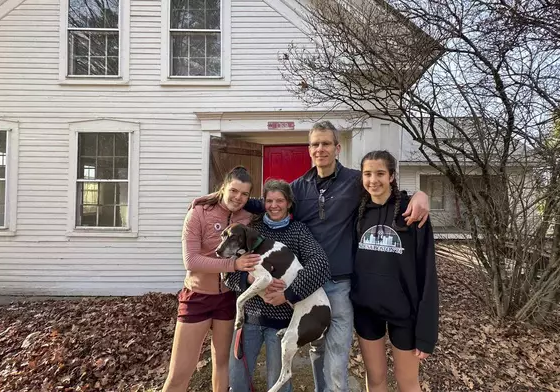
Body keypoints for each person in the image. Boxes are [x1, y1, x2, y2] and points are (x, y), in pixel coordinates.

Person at [194, 121, 431, 392]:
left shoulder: (356, 181)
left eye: (326, 143)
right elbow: (263, 202)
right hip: (306, 283)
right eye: (315, 144)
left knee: (336, 361)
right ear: (309, 149)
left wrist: (419, 194)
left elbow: (383, 192)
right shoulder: (298, 187)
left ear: (337, 147)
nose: (321, 149)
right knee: (317, 353)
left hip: (339, 284)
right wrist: (216, 196)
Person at [224, 179, 331, 392]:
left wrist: (288, 294)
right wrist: (247, 280)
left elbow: (321, 265)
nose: (274, 205)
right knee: (237, 382)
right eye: (269, 200)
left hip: (282, 322)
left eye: (279, 200)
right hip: (250, 320)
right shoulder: (249, 230)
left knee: (279, 385)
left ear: (289, 203)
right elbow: (226, 275)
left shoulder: (299, 232)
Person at [162, 166, 262, 392]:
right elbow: (191, 261)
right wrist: (233, 265)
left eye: (244, 194)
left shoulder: (247, 218)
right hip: (197, 297)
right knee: (180, 373)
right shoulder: (198, 213)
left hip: (227, 299)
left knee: (222, 365)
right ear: (223, 187)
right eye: (233, 191)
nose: (238, 198)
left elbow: (278, 203)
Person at [351, 150, 438, 392]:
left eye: (380, 173)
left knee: (407, 381)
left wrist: (427, 332)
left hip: (404, 312)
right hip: (367, 310)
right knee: (376, 378)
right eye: (367, 174)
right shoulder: (357, 213)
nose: (373, 180)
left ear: (391, 176)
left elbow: (428, 273)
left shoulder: (412, 214)